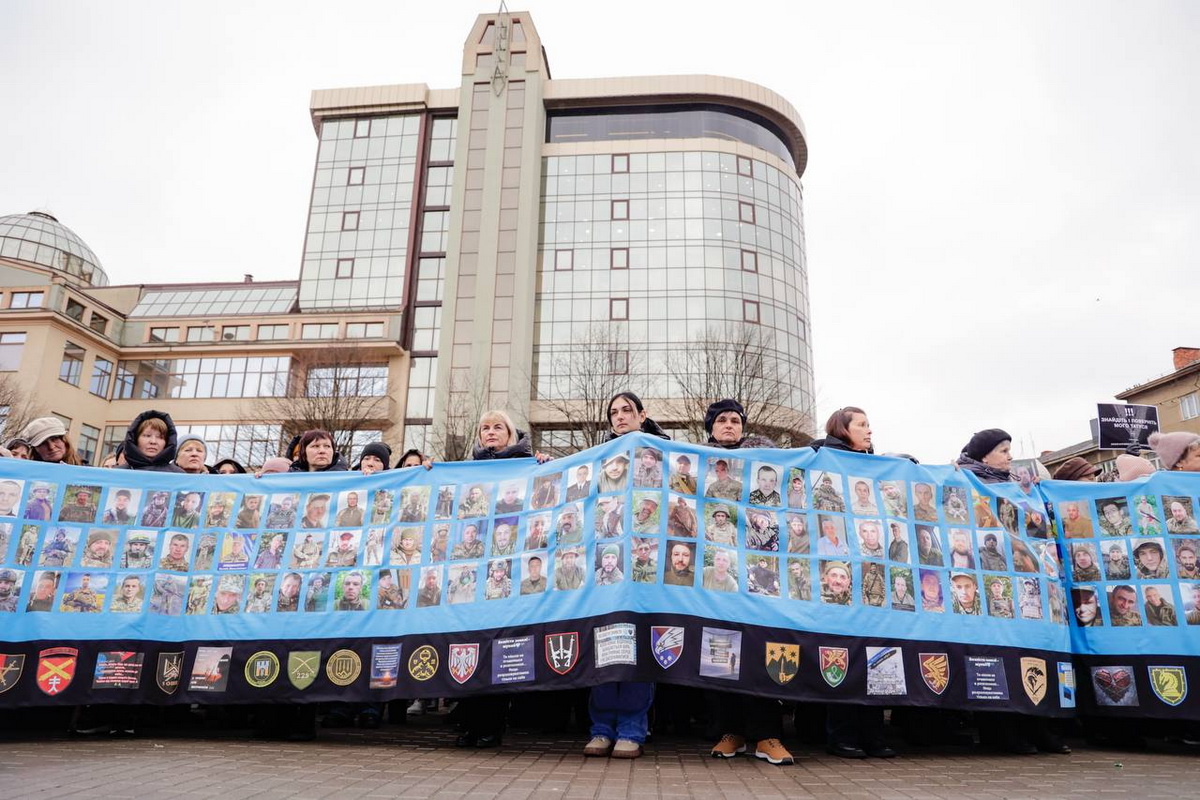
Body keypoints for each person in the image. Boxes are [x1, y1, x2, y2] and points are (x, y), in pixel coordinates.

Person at [581, 391, 669, 761]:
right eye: (614, 412)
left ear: (642, 415)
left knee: (638, 654)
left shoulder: (663, 453)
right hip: (607, 570)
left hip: (645, 573)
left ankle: (632, 729)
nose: (619, 416)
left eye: (627, 410)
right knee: (606, 650)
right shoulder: (599, 457)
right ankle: (601, 729)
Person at [456, 409, 550, 750]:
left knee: (499, 649)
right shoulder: (470, 470)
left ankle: (491, 726)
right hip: (476, 574)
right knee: (469, 646)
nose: (491, 432)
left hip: (509, 573)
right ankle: (468, 723)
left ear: (511, 434)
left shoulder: (528, 465)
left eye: (498, 427)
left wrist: (546, 465)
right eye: (485, 428)